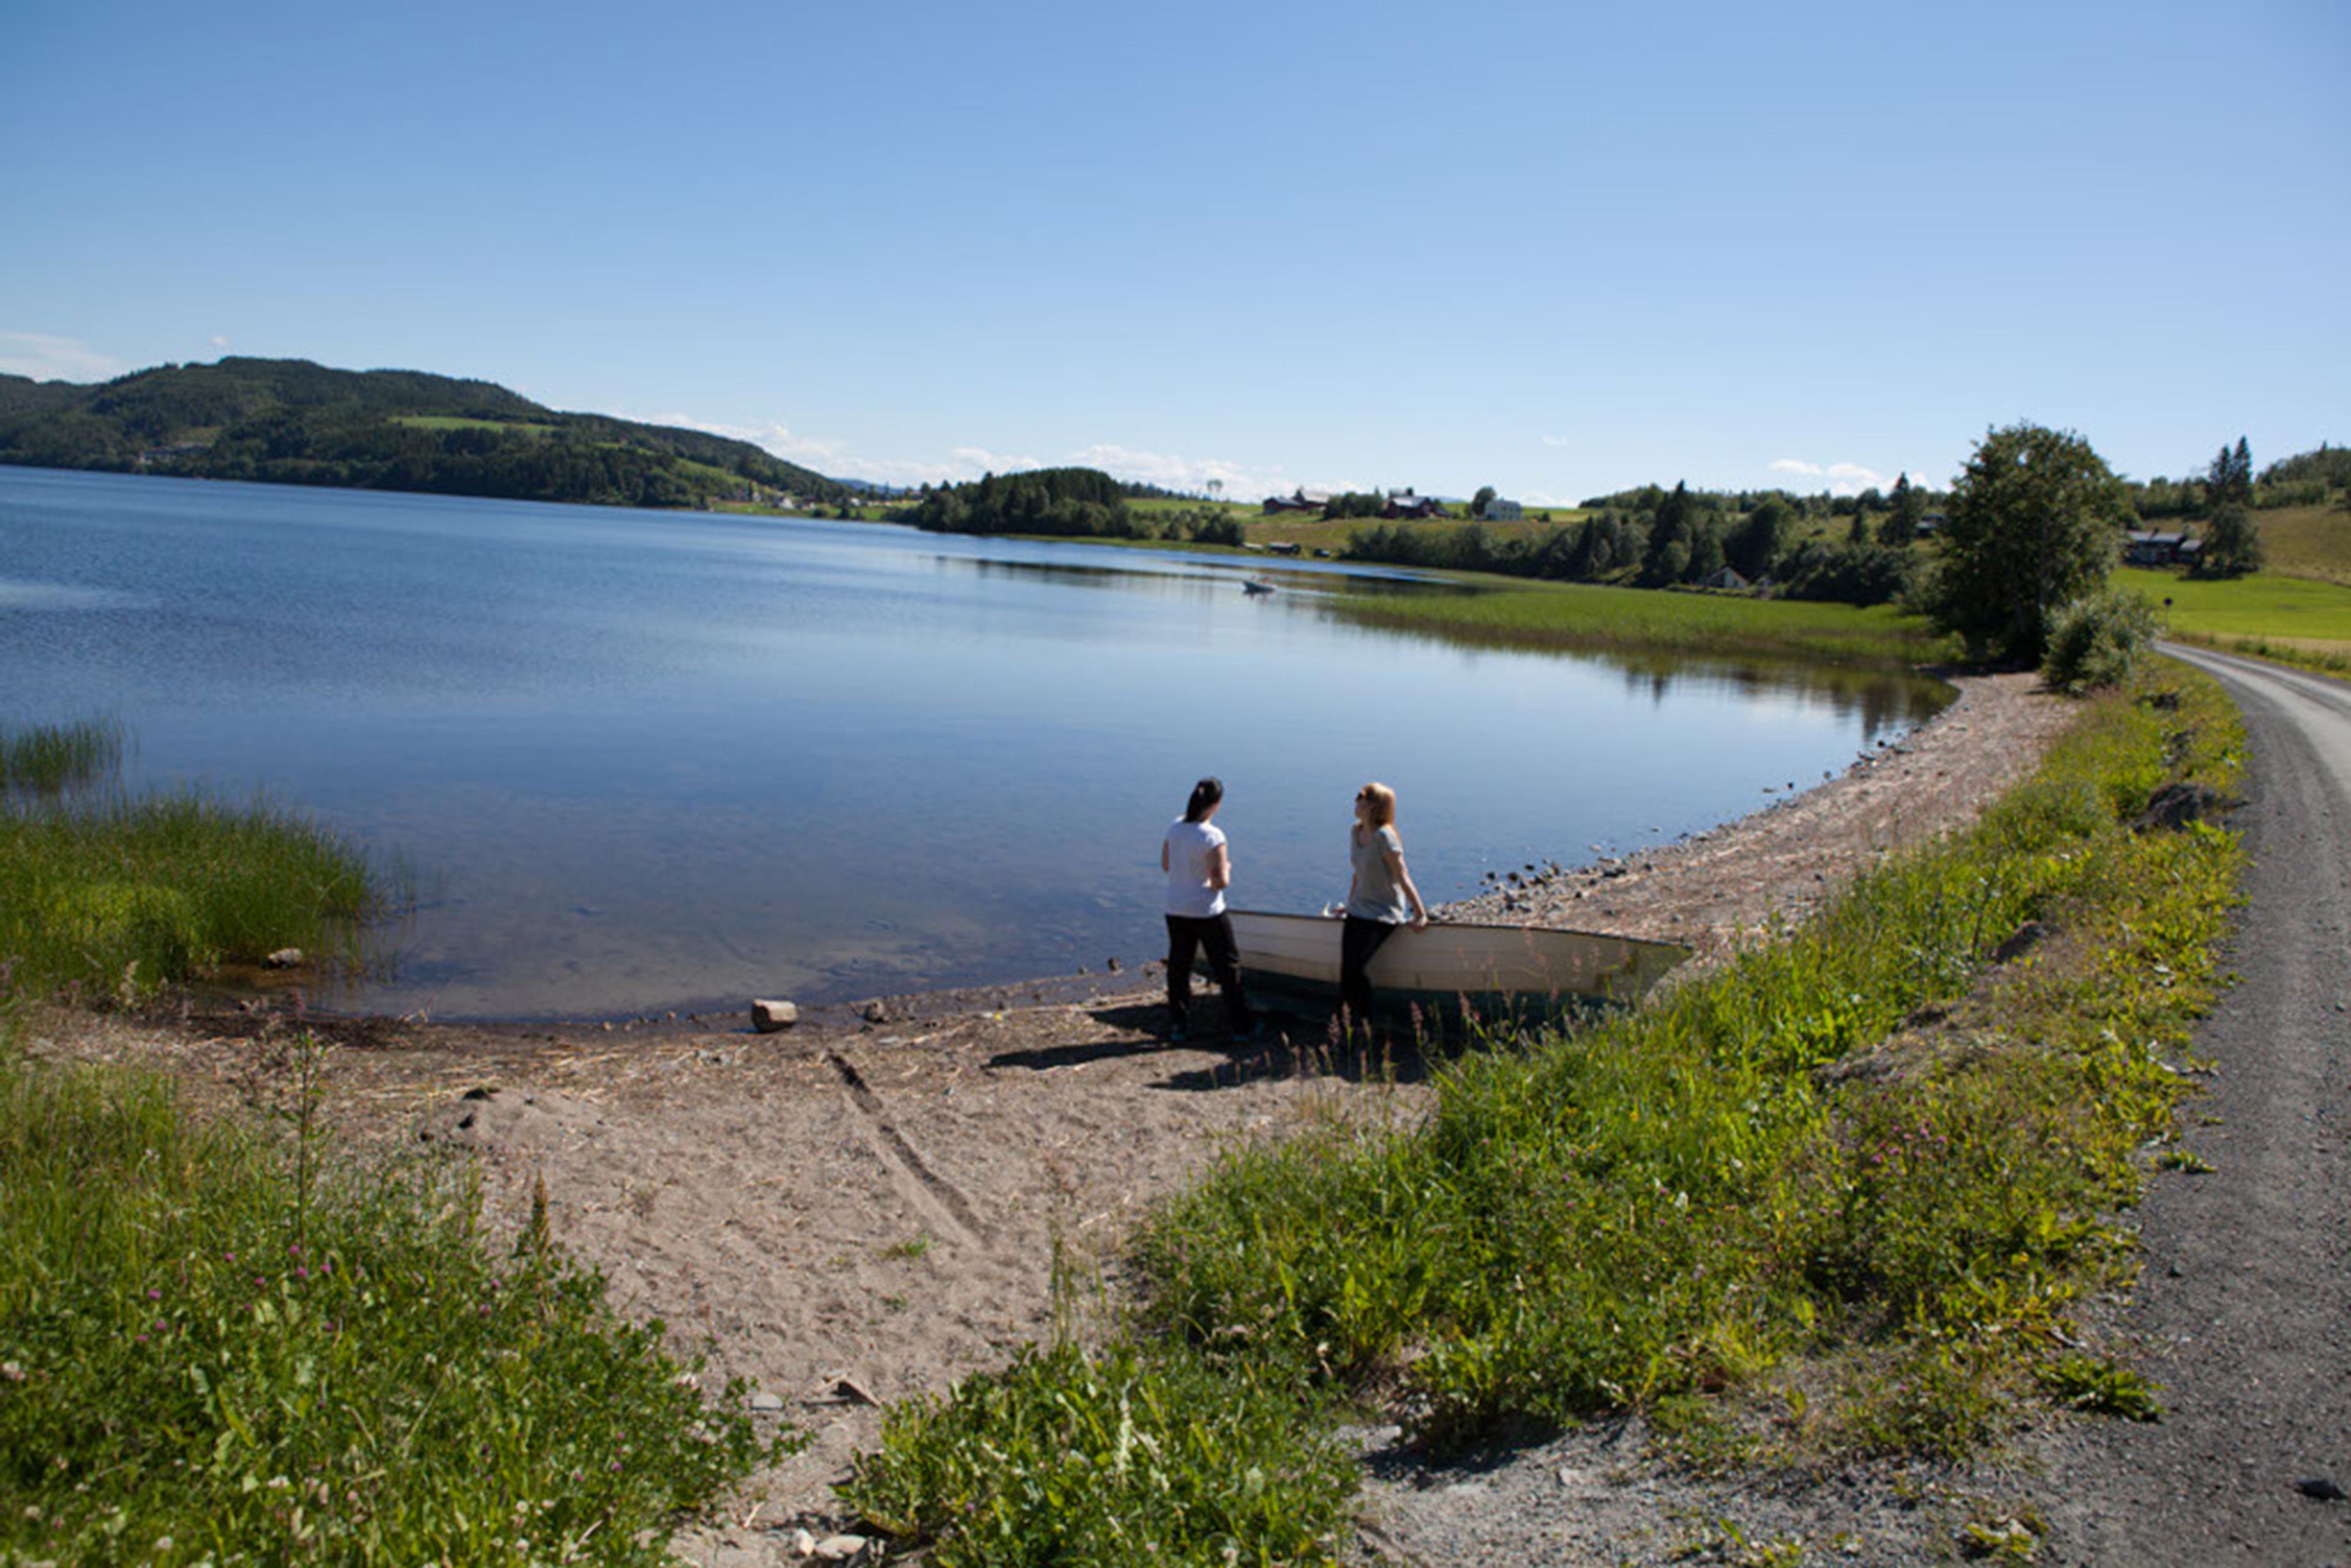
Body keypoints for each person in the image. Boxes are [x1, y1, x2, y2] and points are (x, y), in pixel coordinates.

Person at [1160, 776, 1258, 1041]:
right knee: (1228, 968)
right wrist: (1226, 869)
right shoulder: (1213, 836)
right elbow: (1219, 882)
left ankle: (1179, 1025)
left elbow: (1167, 865)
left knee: (1179, 967)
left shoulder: (1175, 827)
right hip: (1206, 910)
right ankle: (1241, 1027)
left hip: (1175, 907)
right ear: (1216, 805)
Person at [1340, 781, 1428, 1037]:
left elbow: (1402, 876)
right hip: (1359, 909)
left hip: (1383, 912)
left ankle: (1365, 1025)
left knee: (1357, 968)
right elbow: (1358, 873)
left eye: (1361, 797)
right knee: (1347, 970)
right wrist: (1349, 903)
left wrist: (1420, 913)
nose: (1356, 801)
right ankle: (1350, 1025)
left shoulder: (1384, 837)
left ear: (1374, 805)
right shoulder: (1356, 832)